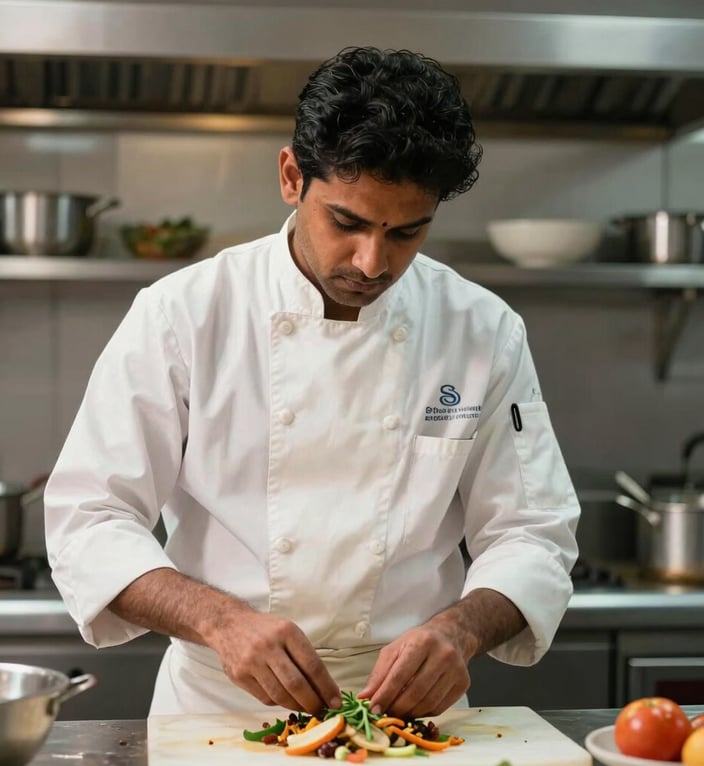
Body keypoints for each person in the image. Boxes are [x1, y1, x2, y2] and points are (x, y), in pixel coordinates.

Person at [44, 46, 580, 719]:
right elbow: (89, 518)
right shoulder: (184, 312)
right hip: (220, 704)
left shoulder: (481, 329)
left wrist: (462, 629)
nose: (372, 261)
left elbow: (533, 530)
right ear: (292, 177)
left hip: (411, 711)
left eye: (408, 232)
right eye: (347, 223)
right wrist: (219, 620)